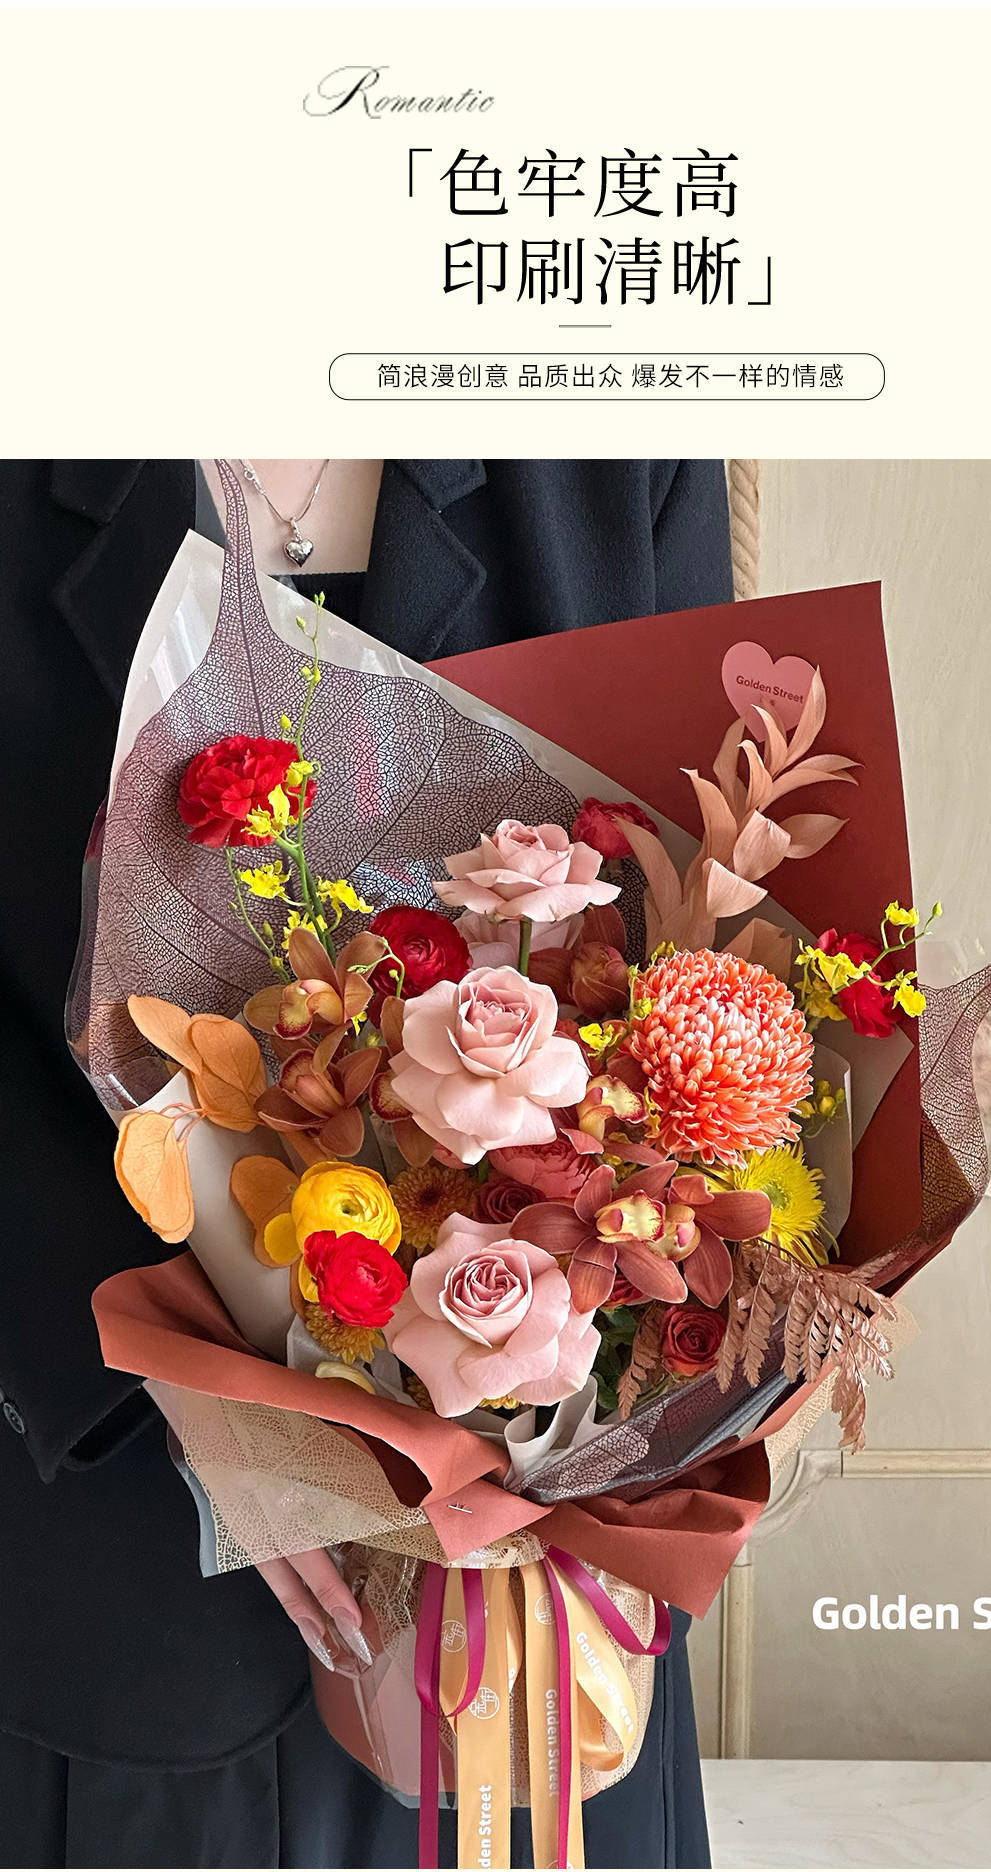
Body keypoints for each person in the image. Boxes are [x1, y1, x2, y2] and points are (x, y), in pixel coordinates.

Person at [0, 459, 734, 1869]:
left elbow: (712, 925)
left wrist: (616, 1335)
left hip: (539, 1570)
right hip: (123, 1529)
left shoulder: (607, 435)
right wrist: (167, 1364)